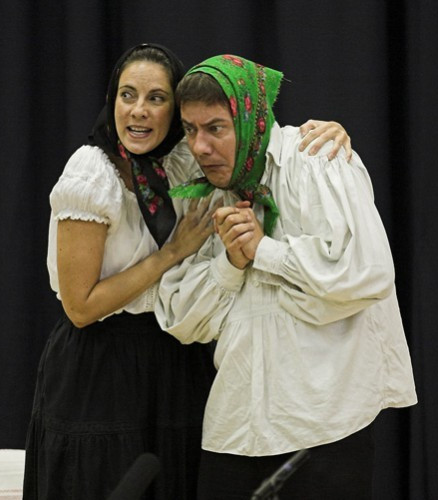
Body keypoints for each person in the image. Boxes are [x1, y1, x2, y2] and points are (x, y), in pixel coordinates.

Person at [22, 43, 354, 500]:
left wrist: (328, 133)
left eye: (156, 98)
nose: (138, 110)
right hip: (102, 366)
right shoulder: (91, 172)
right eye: (127, 95)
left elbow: (254, 146)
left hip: (176, 357)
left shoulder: (185, 160)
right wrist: (171, 253)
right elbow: (80, 308)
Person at [156, 54, 417, 500]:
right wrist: (231, 264)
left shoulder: (317, 158)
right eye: (190, 129)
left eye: (216, 128)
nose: (199, 146)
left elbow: (367, 275)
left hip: (324, 426)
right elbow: (180, 319)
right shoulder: (200, 193)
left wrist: (265, 252)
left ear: (252, 122)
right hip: (234, 429)